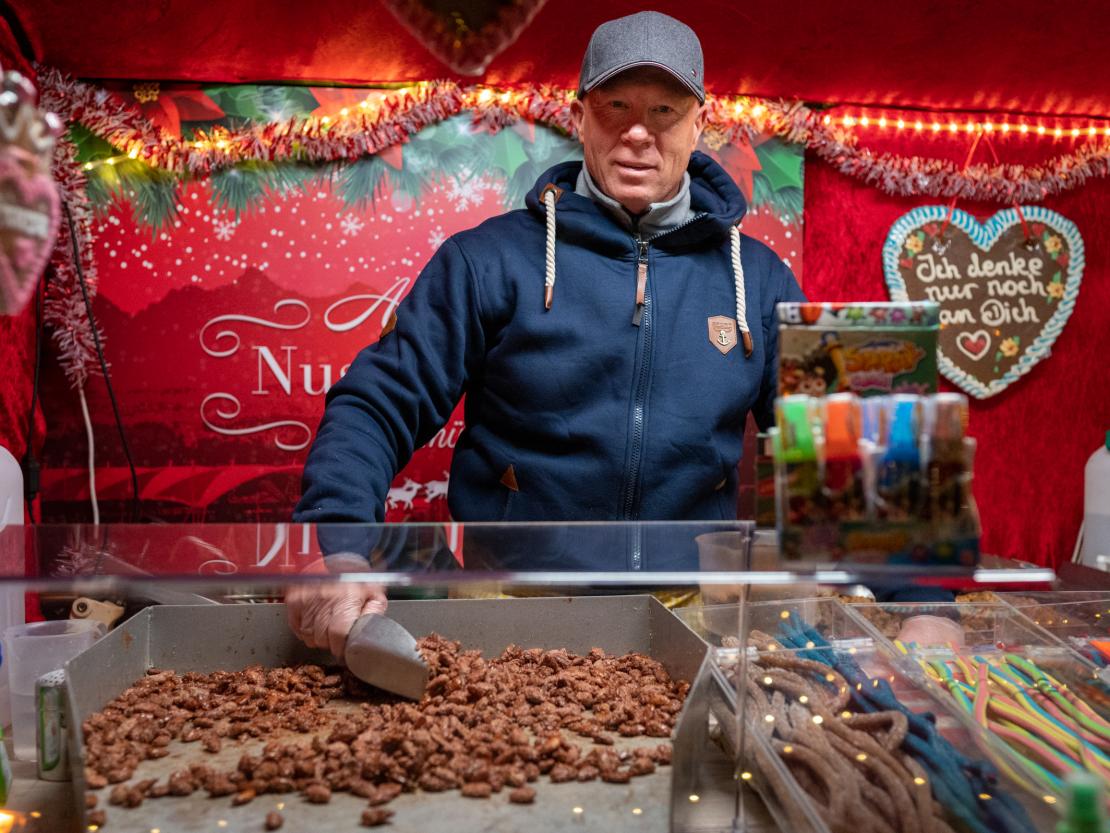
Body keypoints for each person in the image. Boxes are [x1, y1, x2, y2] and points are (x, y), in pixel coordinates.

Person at [287, 12, 954, 655]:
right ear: (579, 118)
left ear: (700, 125)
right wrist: (334, 547)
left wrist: (924, 602)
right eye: (615, 107)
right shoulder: (487, 260)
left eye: (664, 110)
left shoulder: (759, 277)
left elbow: (851, 442)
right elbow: (378, 402)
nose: (639, 133)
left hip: (696, 618)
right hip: (509, 609)